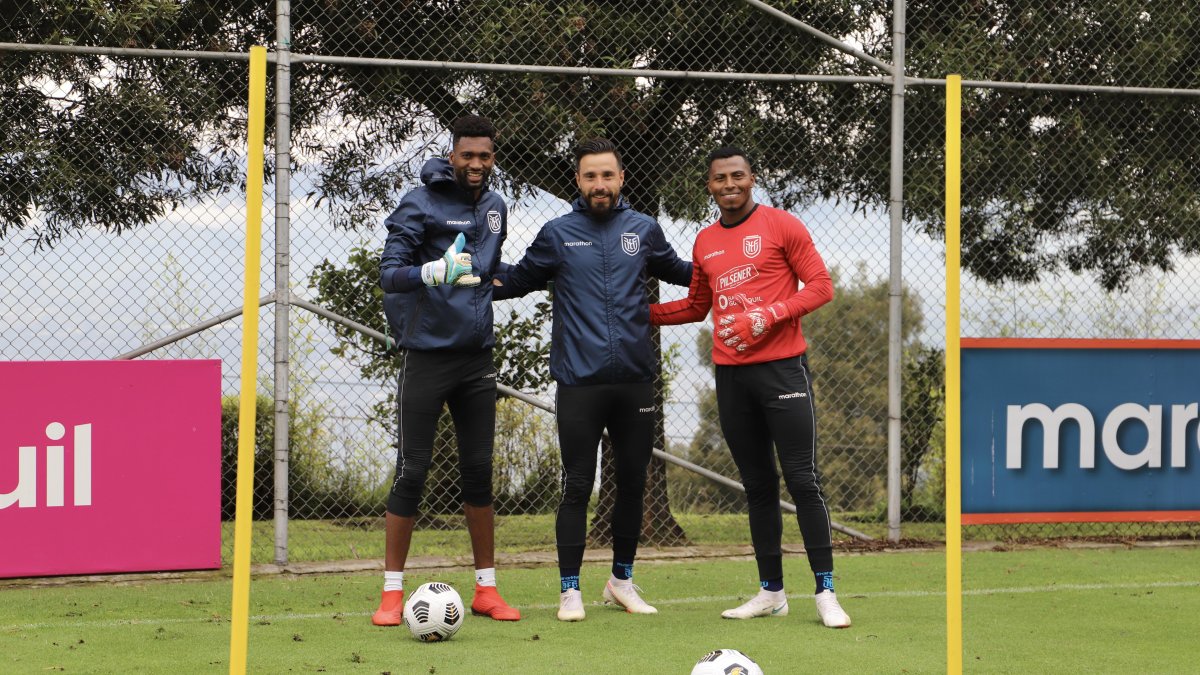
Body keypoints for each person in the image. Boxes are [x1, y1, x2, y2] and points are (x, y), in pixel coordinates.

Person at [650, 145, 851, 628]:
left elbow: (820, 286)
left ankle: (825, 591)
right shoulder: (705, 241)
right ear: (710, 186)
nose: (730, 185)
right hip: (732, 377)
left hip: (783, 370)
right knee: (758, 486)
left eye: (737, 176)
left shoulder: (782, 225)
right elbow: (697, 306)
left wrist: (768, 314)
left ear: (752, 178)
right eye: (720, 178)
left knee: (802, 480)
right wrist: (640, 316)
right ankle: (771, 592)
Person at [493, 138, 692, 622]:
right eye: (589, 176)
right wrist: (463, 275)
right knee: (578, 484)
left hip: (635, 381)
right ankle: (569, 590)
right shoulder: (557, 234)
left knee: (631, 483)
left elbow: (686, 273)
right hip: (579, 383)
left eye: (607, 175)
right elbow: (516, 279)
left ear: (621, 178)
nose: (599, 185)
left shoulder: (644, 229)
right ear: (578, 182)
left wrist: (738, 275)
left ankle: (621, 581)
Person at [373, 114, 520, 625]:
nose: (476, 165)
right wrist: (430, 272)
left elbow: (490, 273)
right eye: (467, 155)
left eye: (485, 156)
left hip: (476, 356)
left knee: (479, 471)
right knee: (412, 468)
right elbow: (389, 275)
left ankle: (487, 589)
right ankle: (392, 594)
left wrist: (553, 272)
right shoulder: (421, 202)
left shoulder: (496, 206)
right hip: (427, 356)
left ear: (492, 158)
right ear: (452, 155)